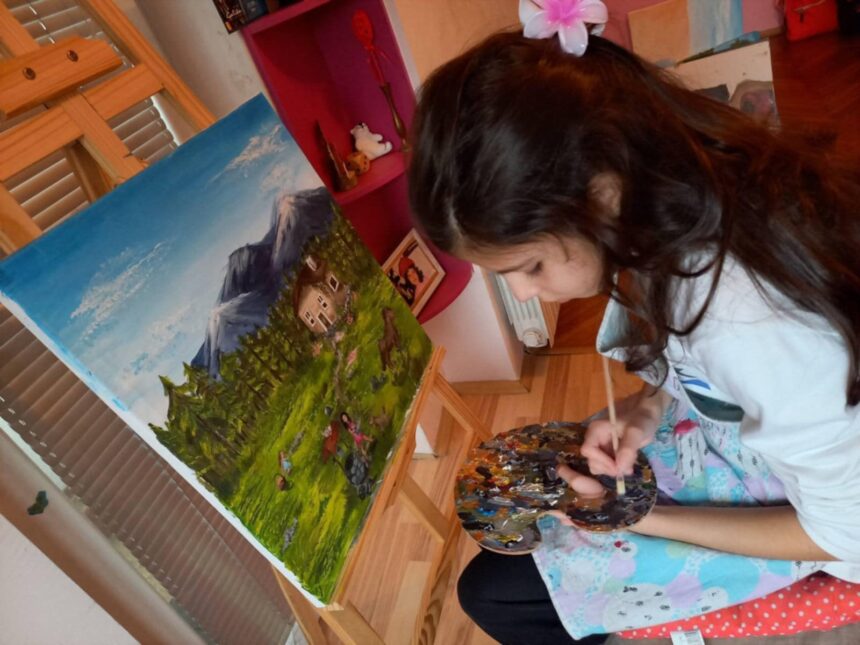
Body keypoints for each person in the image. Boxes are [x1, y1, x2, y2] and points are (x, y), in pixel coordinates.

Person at [406, 13, 859, 645]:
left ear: (602, 193)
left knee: (498, 595)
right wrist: (647, 410)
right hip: (763, 454)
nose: (524, 293)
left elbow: (842, 535)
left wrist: (640, 518)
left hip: (824, 527)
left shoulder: (751, 321)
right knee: (516, 540)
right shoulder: (672, 204)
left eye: (530, 267)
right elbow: (701, 369)